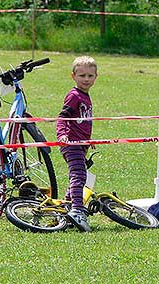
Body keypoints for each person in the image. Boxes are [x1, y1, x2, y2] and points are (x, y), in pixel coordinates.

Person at [56, 56, 98, 232]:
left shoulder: (85, 96)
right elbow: (63, 117)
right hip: (71, 144)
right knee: (79, 174)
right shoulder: (74, 96)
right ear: (73, 76)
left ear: (96, 76)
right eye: (82, 75)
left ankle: (63, 208)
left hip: (81, 144)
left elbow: (82, 121)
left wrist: (88, 141)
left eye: (90, 75)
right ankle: (78, 210)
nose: (86, 79)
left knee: (78, 175)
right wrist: (62, 134)